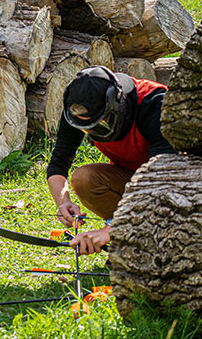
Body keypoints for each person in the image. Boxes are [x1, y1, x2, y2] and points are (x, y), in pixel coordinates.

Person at [47, 65, 177, 254]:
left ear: (116, 107)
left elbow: (162, 186)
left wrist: (111, 229)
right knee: (85, 179)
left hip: (180, 185)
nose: (91, 133)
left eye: (98, 126)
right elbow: (58, 165)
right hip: (139, 181)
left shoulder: (157, 106)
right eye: (85, 129)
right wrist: (63, 201)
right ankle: (136, 238)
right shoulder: (78, 113)